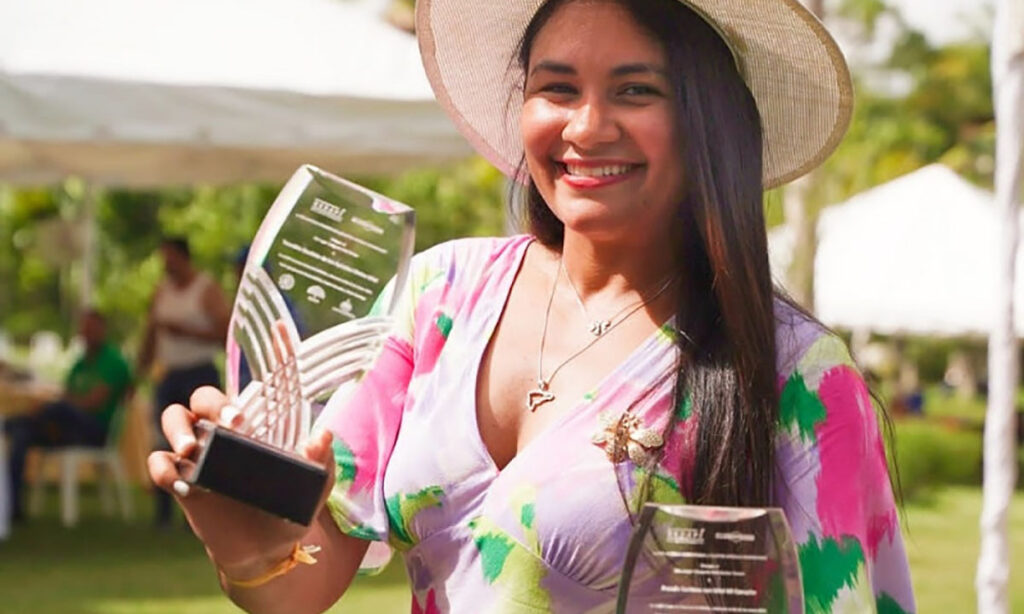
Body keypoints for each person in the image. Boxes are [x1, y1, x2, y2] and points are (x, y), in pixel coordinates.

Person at [148, 0, 916, 612]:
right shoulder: (443, 295)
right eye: (557, 87)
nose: (587, 126)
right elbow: (305, 576)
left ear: (707, 123)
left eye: (635, 90)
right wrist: (246, 541)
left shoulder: (797, 376)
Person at [5, 310, 132, 522]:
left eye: (91, 328)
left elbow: (92, 402)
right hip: (67, 429)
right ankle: (13, 506)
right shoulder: (80, 364)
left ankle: (18, 421)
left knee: (56, 409)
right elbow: (67, 395)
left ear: (102, 330)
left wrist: (62, 404)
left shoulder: (114, 361)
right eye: (84, 328)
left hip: (95, 430)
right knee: (21, 434)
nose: (86, 333)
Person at [139, 236, 231, 527]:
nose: (166, 264)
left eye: (170, 257)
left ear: (183, 257)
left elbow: (225, 332)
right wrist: (140, 369)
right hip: (169, 372)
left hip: (198, 372)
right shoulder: (162, 290)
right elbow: (151, 332)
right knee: (162, 437)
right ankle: (164, 509)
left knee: (200, 442)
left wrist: (186, 332)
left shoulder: (206, 289)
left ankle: (201, 508)